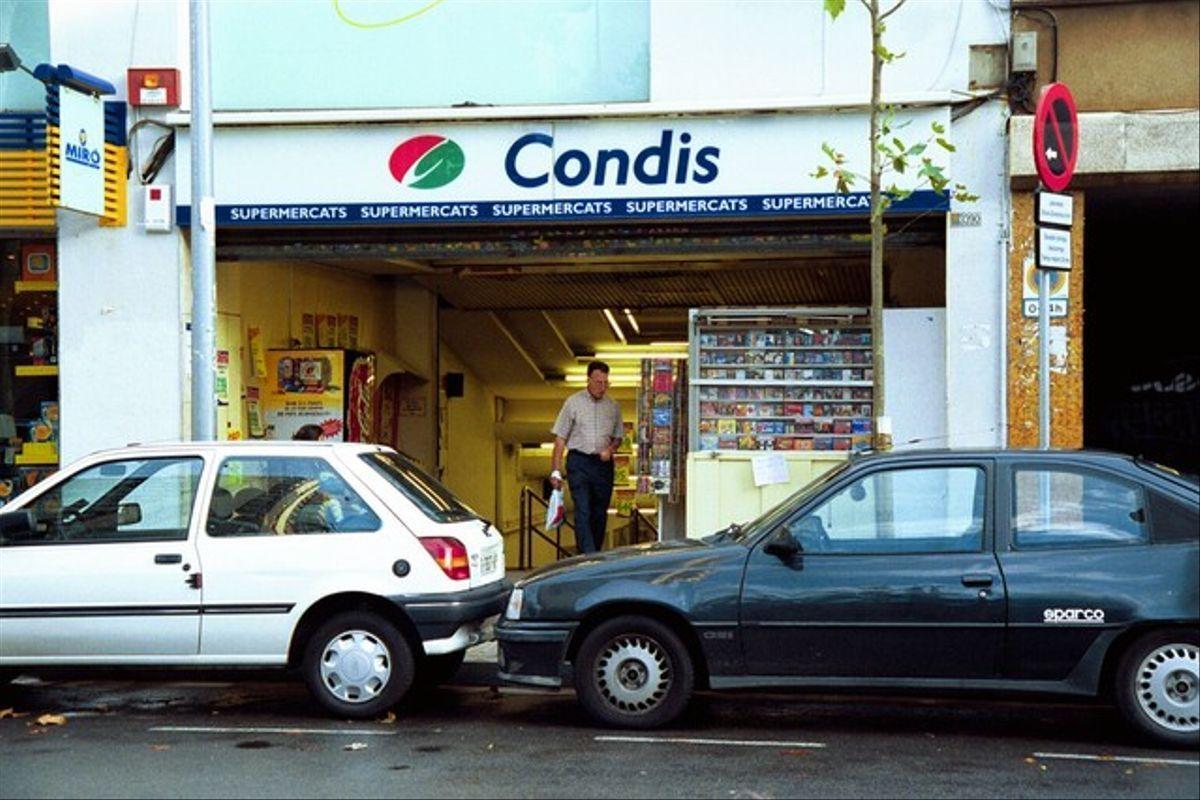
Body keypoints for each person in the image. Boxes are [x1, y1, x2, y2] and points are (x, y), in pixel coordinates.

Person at [549, 361, 623, 554]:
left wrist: (611, 449)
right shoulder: (573, 403)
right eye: (598, 382)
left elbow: (618, 437)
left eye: (606, 383)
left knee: (600, 512)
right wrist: (555, 471)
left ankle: (594, 552)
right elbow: (560, 438)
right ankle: (587, 554)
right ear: (588, 380)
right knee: (582, 509)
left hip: (603, 464)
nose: (602, 387)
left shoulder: (613, 406)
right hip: (579, 461)